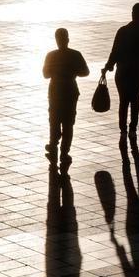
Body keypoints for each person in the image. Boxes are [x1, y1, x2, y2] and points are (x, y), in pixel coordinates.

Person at [103, 3, 139, 136]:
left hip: (123, 71)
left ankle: (123, 128)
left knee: (124, 100)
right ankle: (132, 128)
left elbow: (114, 51)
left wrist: (108, 66)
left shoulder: (123, 31)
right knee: (135, 98)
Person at [43, 28, 89, 173]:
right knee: (68, 123)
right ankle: (64, 153)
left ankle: (53, 146)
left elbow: (45, 74)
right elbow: (85, 72)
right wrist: (72, 71)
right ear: (68, 39)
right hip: (70, 91)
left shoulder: (51, 55)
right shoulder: (75, 55)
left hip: (55, 91)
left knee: (54, 120)